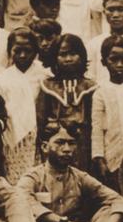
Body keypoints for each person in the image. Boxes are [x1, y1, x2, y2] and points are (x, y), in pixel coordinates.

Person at [17, 124, 123, 222]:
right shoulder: (33, 177)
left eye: (71, 143)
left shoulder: (79, 177)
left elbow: (117, 200)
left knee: (110, 210)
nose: (67, 149)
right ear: (45, 147)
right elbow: (23, 202)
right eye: (60, 143)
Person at [35, 34, 97, 170]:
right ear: (54, 58)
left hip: (84, 144)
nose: (68, 59)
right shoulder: (47, 86)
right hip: (56, 141)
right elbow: (40, 120)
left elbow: (95, 120)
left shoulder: (90, 87)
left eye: (73, 54)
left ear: (82, 56)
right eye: (63, 55)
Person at [0, 28, 43, 173]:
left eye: (28, 50)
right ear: (9, 51)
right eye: (17, 51)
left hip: (39, 136)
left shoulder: (44, 75)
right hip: (12, 135)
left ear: (36, 51)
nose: (22, 55)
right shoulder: (3, 79)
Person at [91, 34, 123, 188]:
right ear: (104, 62)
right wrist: (99, 157)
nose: (119, 64)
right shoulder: (100, 92)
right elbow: (97, 128)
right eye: (114, 60)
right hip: (112, 153)